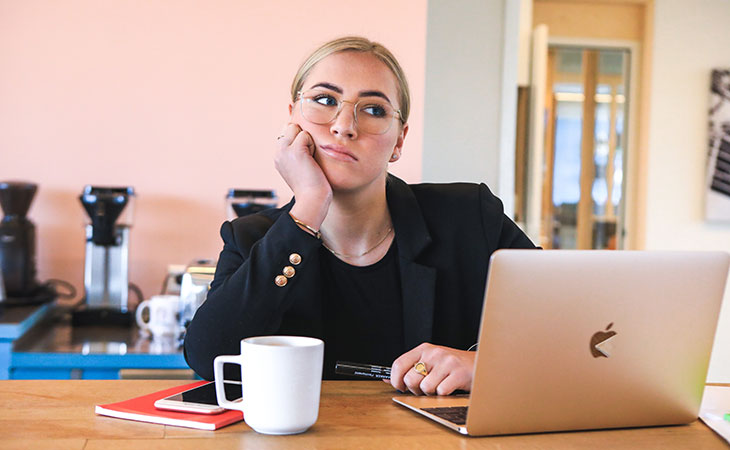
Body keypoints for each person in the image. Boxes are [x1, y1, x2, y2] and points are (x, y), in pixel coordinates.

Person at [184, 36, 536, 396]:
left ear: (399, 140)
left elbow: (575, 330)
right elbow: (209, 358)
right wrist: (307, 207)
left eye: (373, 110)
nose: (344, 125)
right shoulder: (250, 238)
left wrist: (485, 365)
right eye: (325, 100)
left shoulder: (470, 216)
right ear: (292, 118)